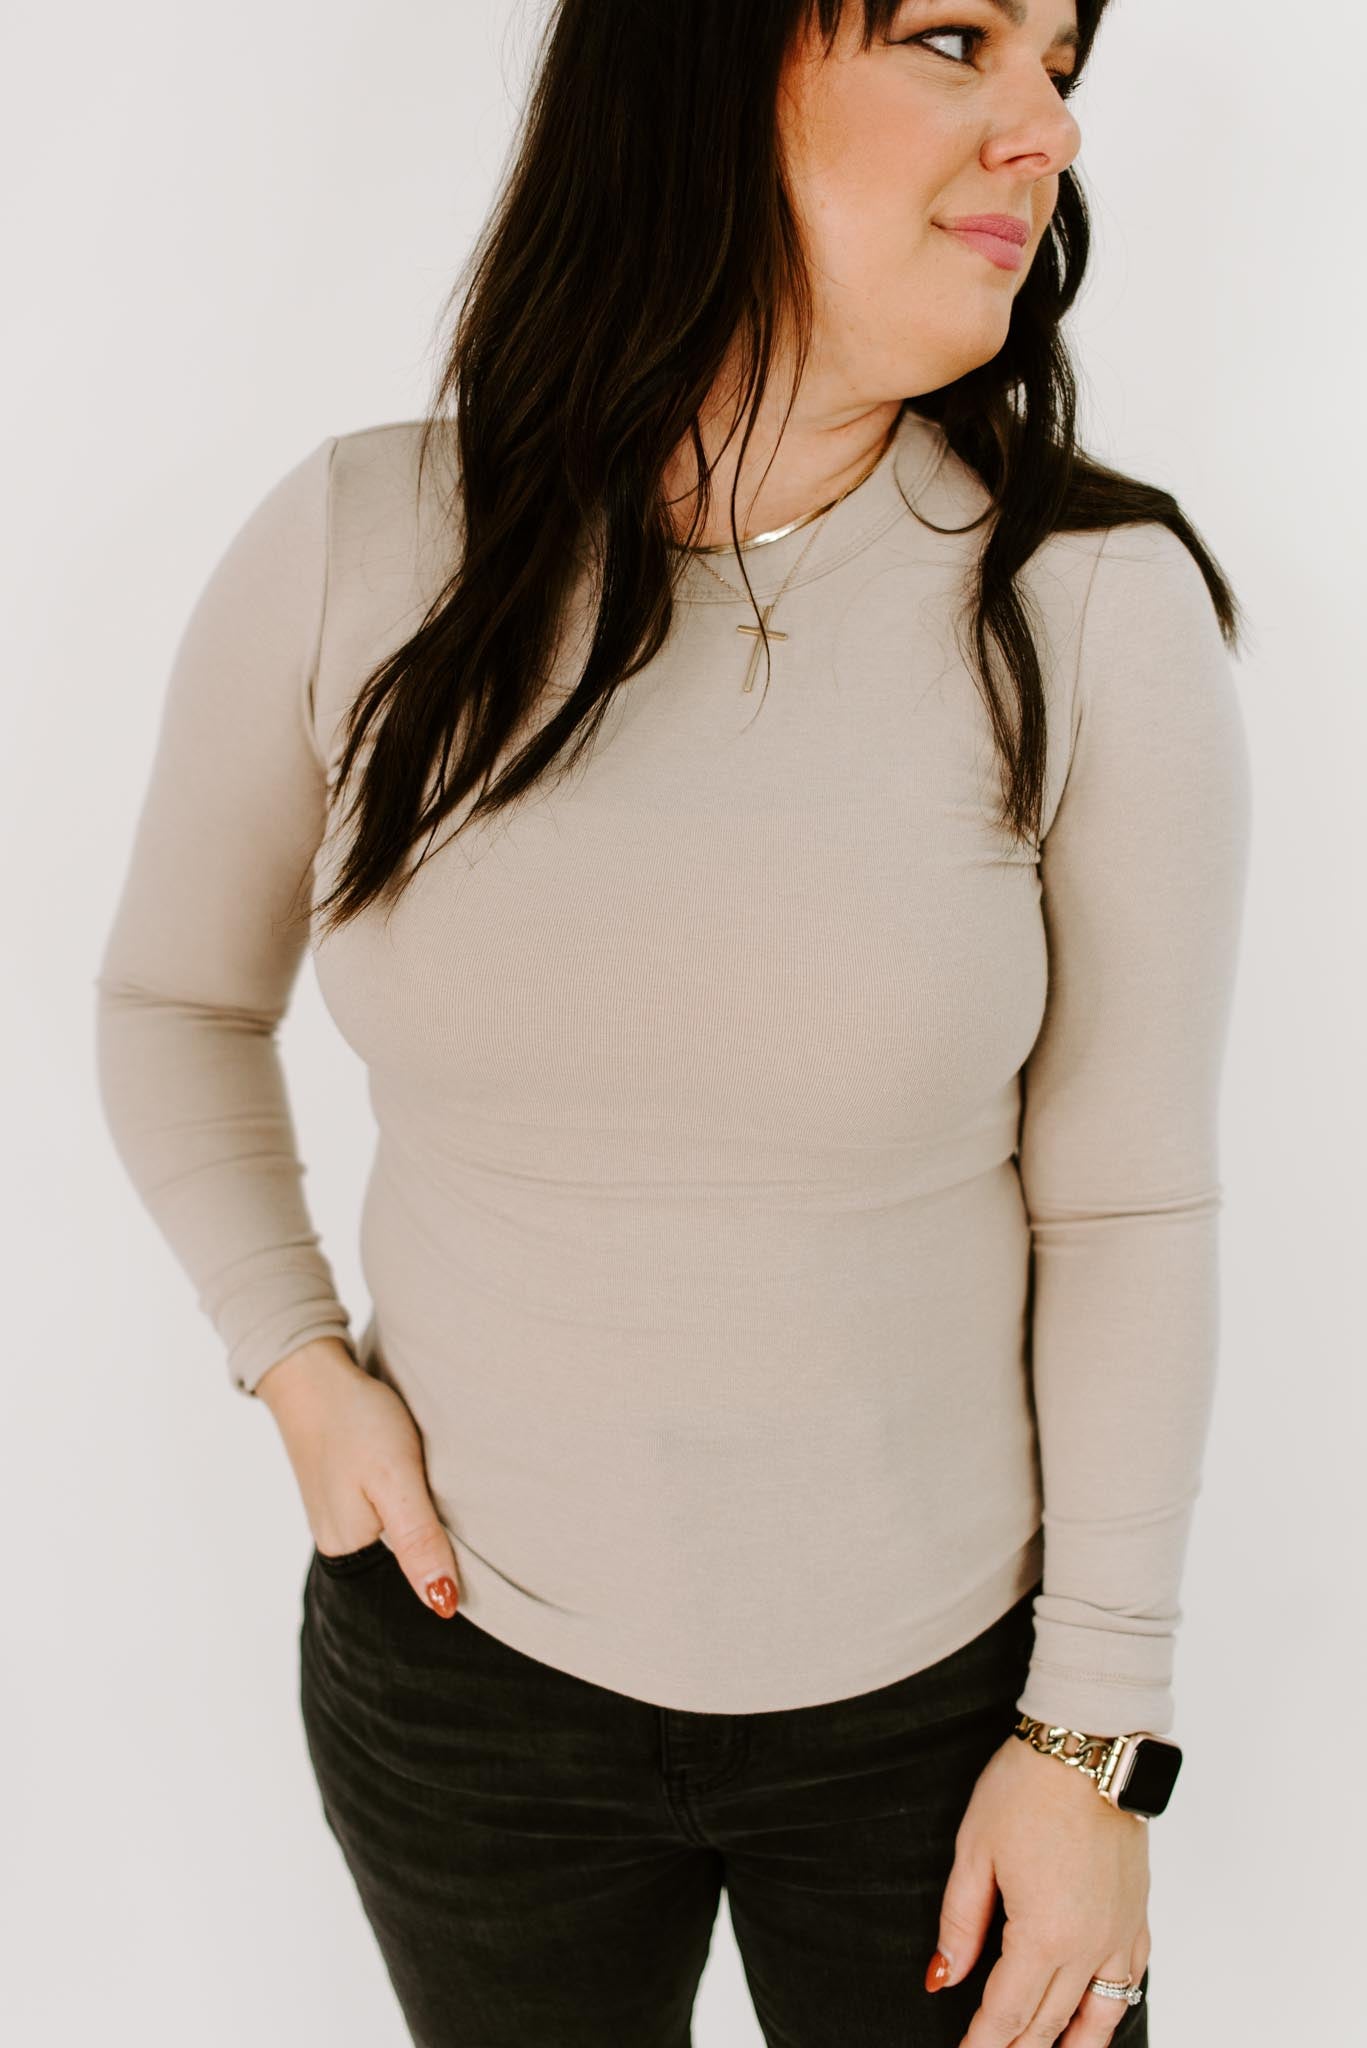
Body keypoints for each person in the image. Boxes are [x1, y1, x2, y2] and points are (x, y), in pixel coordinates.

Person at [92, 2, 1252, 2043]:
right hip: (462, 1688)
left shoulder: (1085, 605)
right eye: (958, 39)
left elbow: (1129, 1206)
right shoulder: (363, 542)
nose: (1045, 129)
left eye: (1062, 66)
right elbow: (176, 1001)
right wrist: (295, 1362)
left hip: (942, 1729)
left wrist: (1094, 1736)